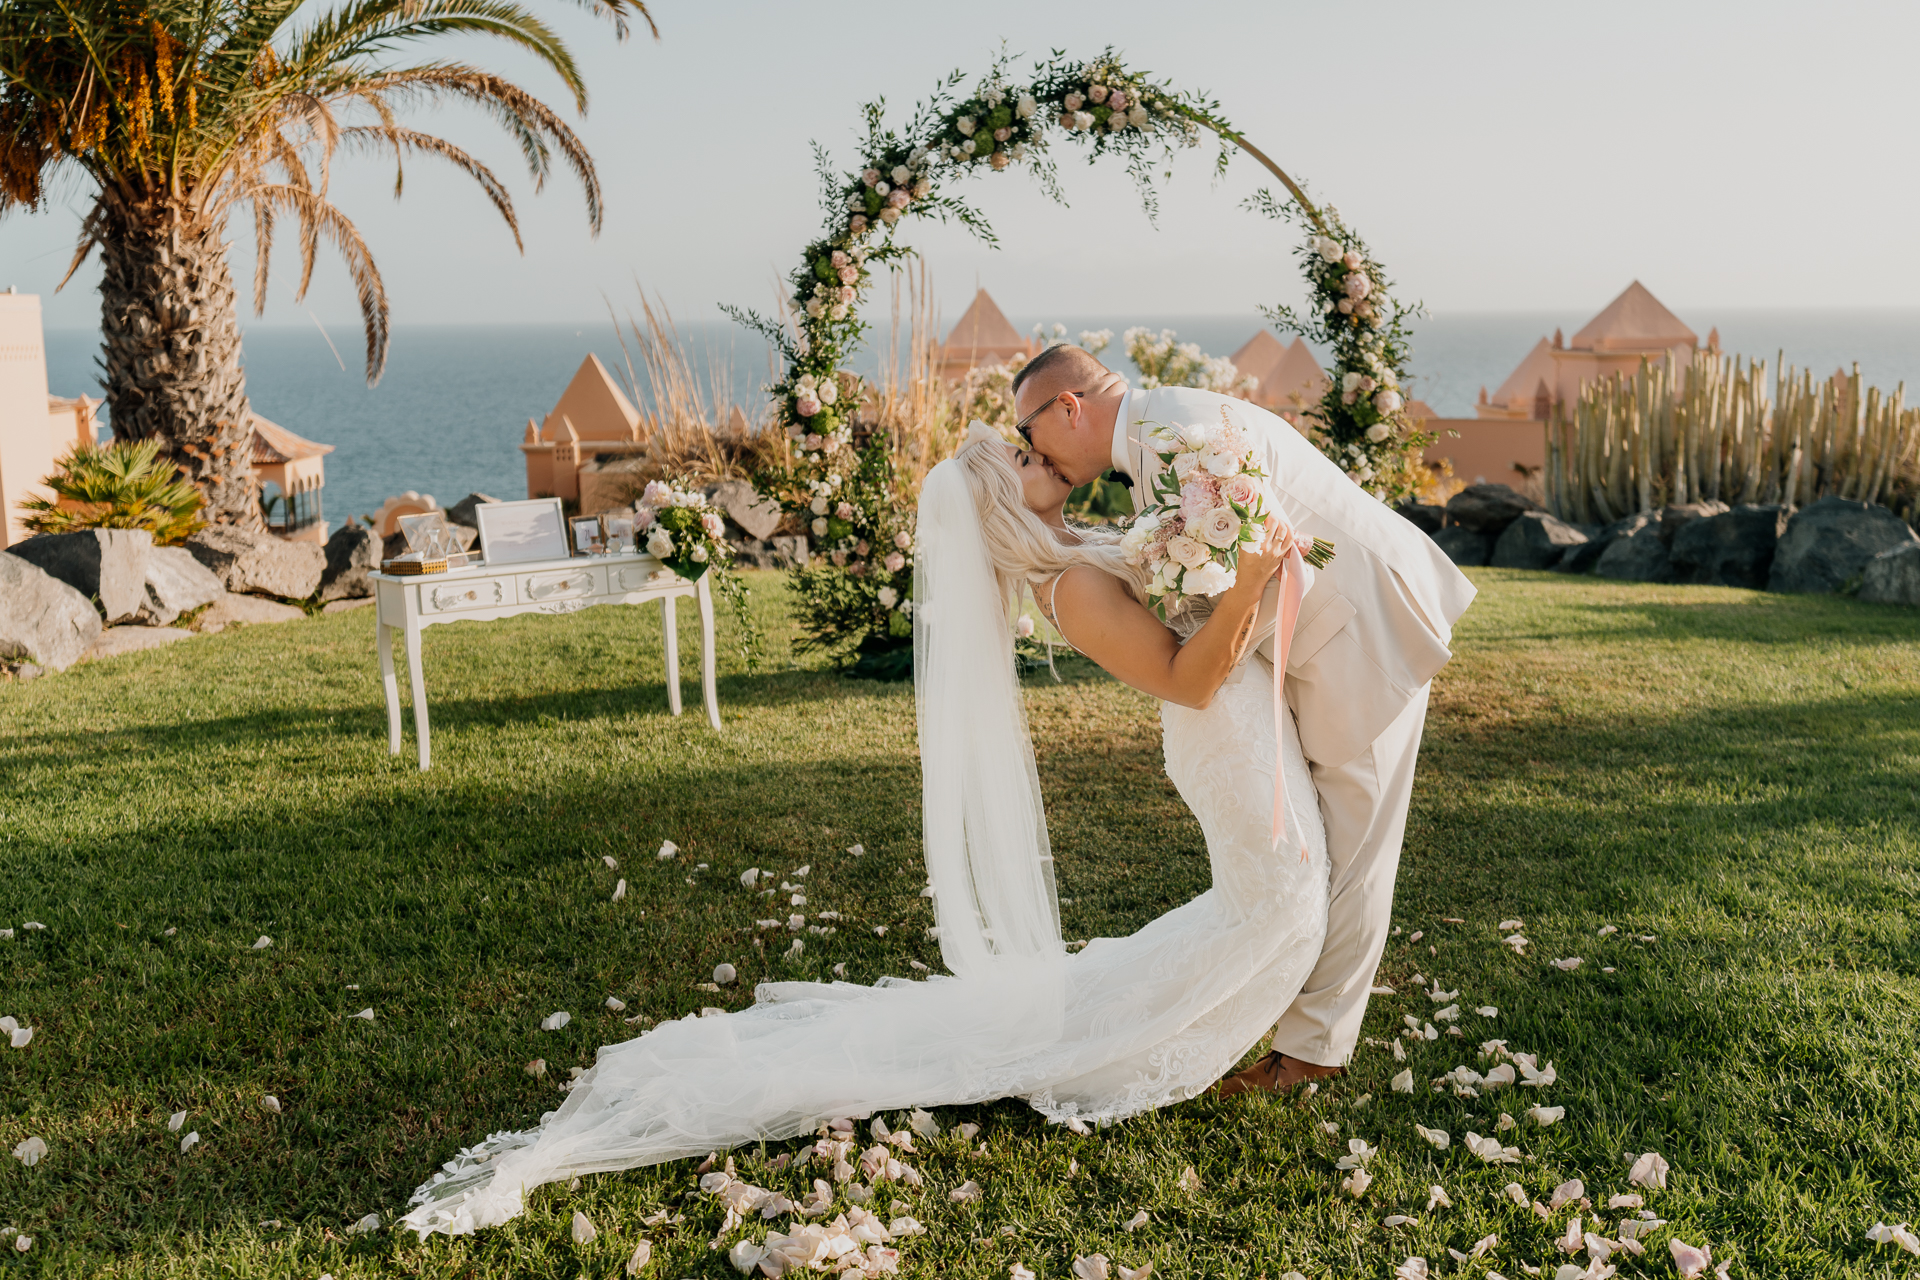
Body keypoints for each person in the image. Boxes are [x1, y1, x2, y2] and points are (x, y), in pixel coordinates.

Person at [401, 422, 1331, 1237]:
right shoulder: (1069, 589)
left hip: (1239, 730)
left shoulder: (1079, 547)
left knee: (1280, 901)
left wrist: (1228, 550)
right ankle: (1133, 1050)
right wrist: (1249, 572)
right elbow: (1189, 680)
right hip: (1223, 739)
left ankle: (1171, 1023)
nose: (1034, 453)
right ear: (999, 497)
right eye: (1016, 456)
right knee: (1281, 903)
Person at [1009, 344, 1476, 1097]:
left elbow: (1259, 564)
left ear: (1069, 407)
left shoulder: (1177, 440)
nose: (1034, 451)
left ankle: (1312, 1055)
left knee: (1357, 845)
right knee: (1324, 844)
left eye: (1031, 434)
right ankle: (1301, 1031)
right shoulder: (1162, 435)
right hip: (1298, 653)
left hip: (1361, 628)